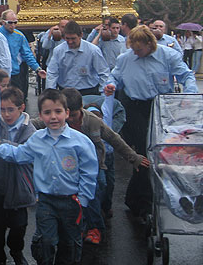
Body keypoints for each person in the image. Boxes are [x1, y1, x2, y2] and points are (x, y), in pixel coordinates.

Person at [0, 89, 97, 265]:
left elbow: (89, 172)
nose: (53, 117)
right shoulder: (37, 139)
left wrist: (84, 198)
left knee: (69, 242)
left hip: (72, 201)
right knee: (46, 241)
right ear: (41, 116)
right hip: (46, 201)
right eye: (47, 112)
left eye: (58, 111)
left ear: (66, 112)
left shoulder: (80, 141)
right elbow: (19, 154)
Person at [104, 25, 197, 218]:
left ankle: (139, 197)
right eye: (133, 49)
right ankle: (142, 202)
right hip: (136, 108)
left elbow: (186, 75)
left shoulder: (168, 55)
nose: (136, 53)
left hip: (161, 105)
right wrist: (111, 85)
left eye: (139, 49)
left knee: (161, 151)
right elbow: (115, 76)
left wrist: (190, 94)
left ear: (150, 45)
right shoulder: (126, 59)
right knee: (145, 151)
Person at [53, 88, 149, 245]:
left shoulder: (93, 121)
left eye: (74, 115)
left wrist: (134, 158)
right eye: (67, 115)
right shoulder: (58, 119)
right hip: (68, 167)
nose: (69, 120)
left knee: (95, 193)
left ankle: (96, 227)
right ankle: (78, 225)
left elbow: (114, 138)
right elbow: (36, 123)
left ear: (81, 108)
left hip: (93, 166)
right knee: (72, 197)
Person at [0, 86, 36, 265]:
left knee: (18, 227)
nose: (6, 114)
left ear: (21, 108)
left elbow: (24, 152)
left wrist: (0, 144)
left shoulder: (29, 130)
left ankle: (16, 251)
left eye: (11, 109)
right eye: (2, 109)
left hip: (18, 189)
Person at [46, 20, 110, 96]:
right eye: (67, 38)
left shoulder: (93, 50)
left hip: (89, 91)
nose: (70, 42)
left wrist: (104, 94)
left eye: (73, 39)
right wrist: (51, 94)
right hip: (66, 91)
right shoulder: (58, 50)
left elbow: (103, 72)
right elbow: (52, 73)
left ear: (81, 35)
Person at [0, 9, 47, 101]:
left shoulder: (19, 35)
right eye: (10, 23)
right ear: (3, 22)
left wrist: (37, 69)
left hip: (14, 74)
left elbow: (27, 54)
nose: (13, 25)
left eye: (15, 23)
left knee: (16, 100)